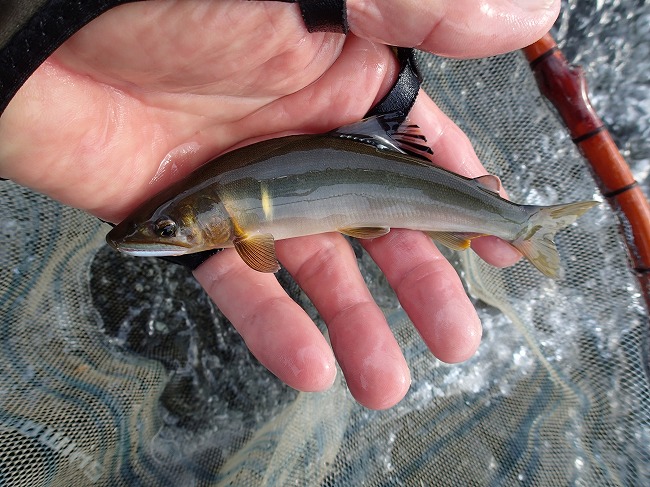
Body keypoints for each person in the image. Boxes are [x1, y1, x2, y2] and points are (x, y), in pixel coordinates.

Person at [0, 0, 560, 409]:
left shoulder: (244, 229)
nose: (163, 236)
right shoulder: (223, 205)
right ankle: (519, 225)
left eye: (168, 229)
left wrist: (41, 32)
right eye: (168, 230)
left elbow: (260, 256)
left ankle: (521, 225)